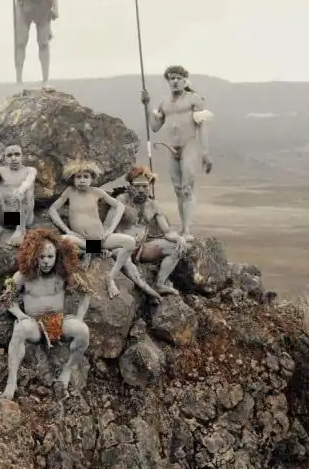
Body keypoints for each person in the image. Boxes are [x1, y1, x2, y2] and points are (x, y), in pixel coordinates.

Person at [0, 229, 91, 401]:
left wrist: (79, 317)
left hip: (59, 323)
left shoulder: (64, 274)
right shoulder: (23, 276)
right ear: (34, 255)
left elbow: (86, 293)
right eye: (42, 257)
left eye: (50, 256)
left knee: (83, 331)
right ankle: (12, 381)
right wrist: (19, 314)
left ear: (57, 256)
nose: (46, 261)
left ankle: (67, 370)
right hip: (35, 325)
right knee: (20, 329)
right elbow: (6, 298)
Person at [141, 65, 213, 240]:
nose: (174, 81)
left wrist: (205, 153)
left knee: (187, 188)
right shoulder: (164, 102)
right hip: (171, 147)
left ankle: (186, 230)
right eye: (171, 78)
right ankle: (182, 228)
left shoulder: (194, 99)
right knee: (178, 189)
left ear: (184, 80)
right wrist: (147, 104)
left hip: (189, 145)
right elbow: (155, 127)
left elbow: (202, 127)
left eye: (178, 78)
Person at [48, 159, 136, 298]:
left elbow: (120, 206)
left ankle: (110, 277)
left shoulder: (97, 192)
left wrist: (110, 230)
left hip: (100, 239)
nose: (82, 180)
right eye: (78, 177)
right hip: (81, 240)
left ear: (92, 179)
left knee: (130, 242)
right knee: (61, 240)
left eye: (86, 177)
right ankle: (92, 251)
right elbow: (52, 210)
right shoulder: (70, 192)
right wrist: (67, 230)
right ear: (73, 179)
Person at [107, 166, 187, 296]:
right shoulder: (121, 200)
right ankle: (149, 291)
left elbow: (167, 232)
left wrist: (179, 238)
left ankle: (160, 284)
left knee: (176, 247)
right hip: (121, 247)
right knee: (125, 258)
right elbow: (106, 228)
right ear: (130, 186)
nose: (141, 190)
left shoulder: (153, 205)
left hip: (141, 249)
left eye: (144, 186)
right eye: (137, 186)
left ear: (149, 186)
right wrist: (98, 247)